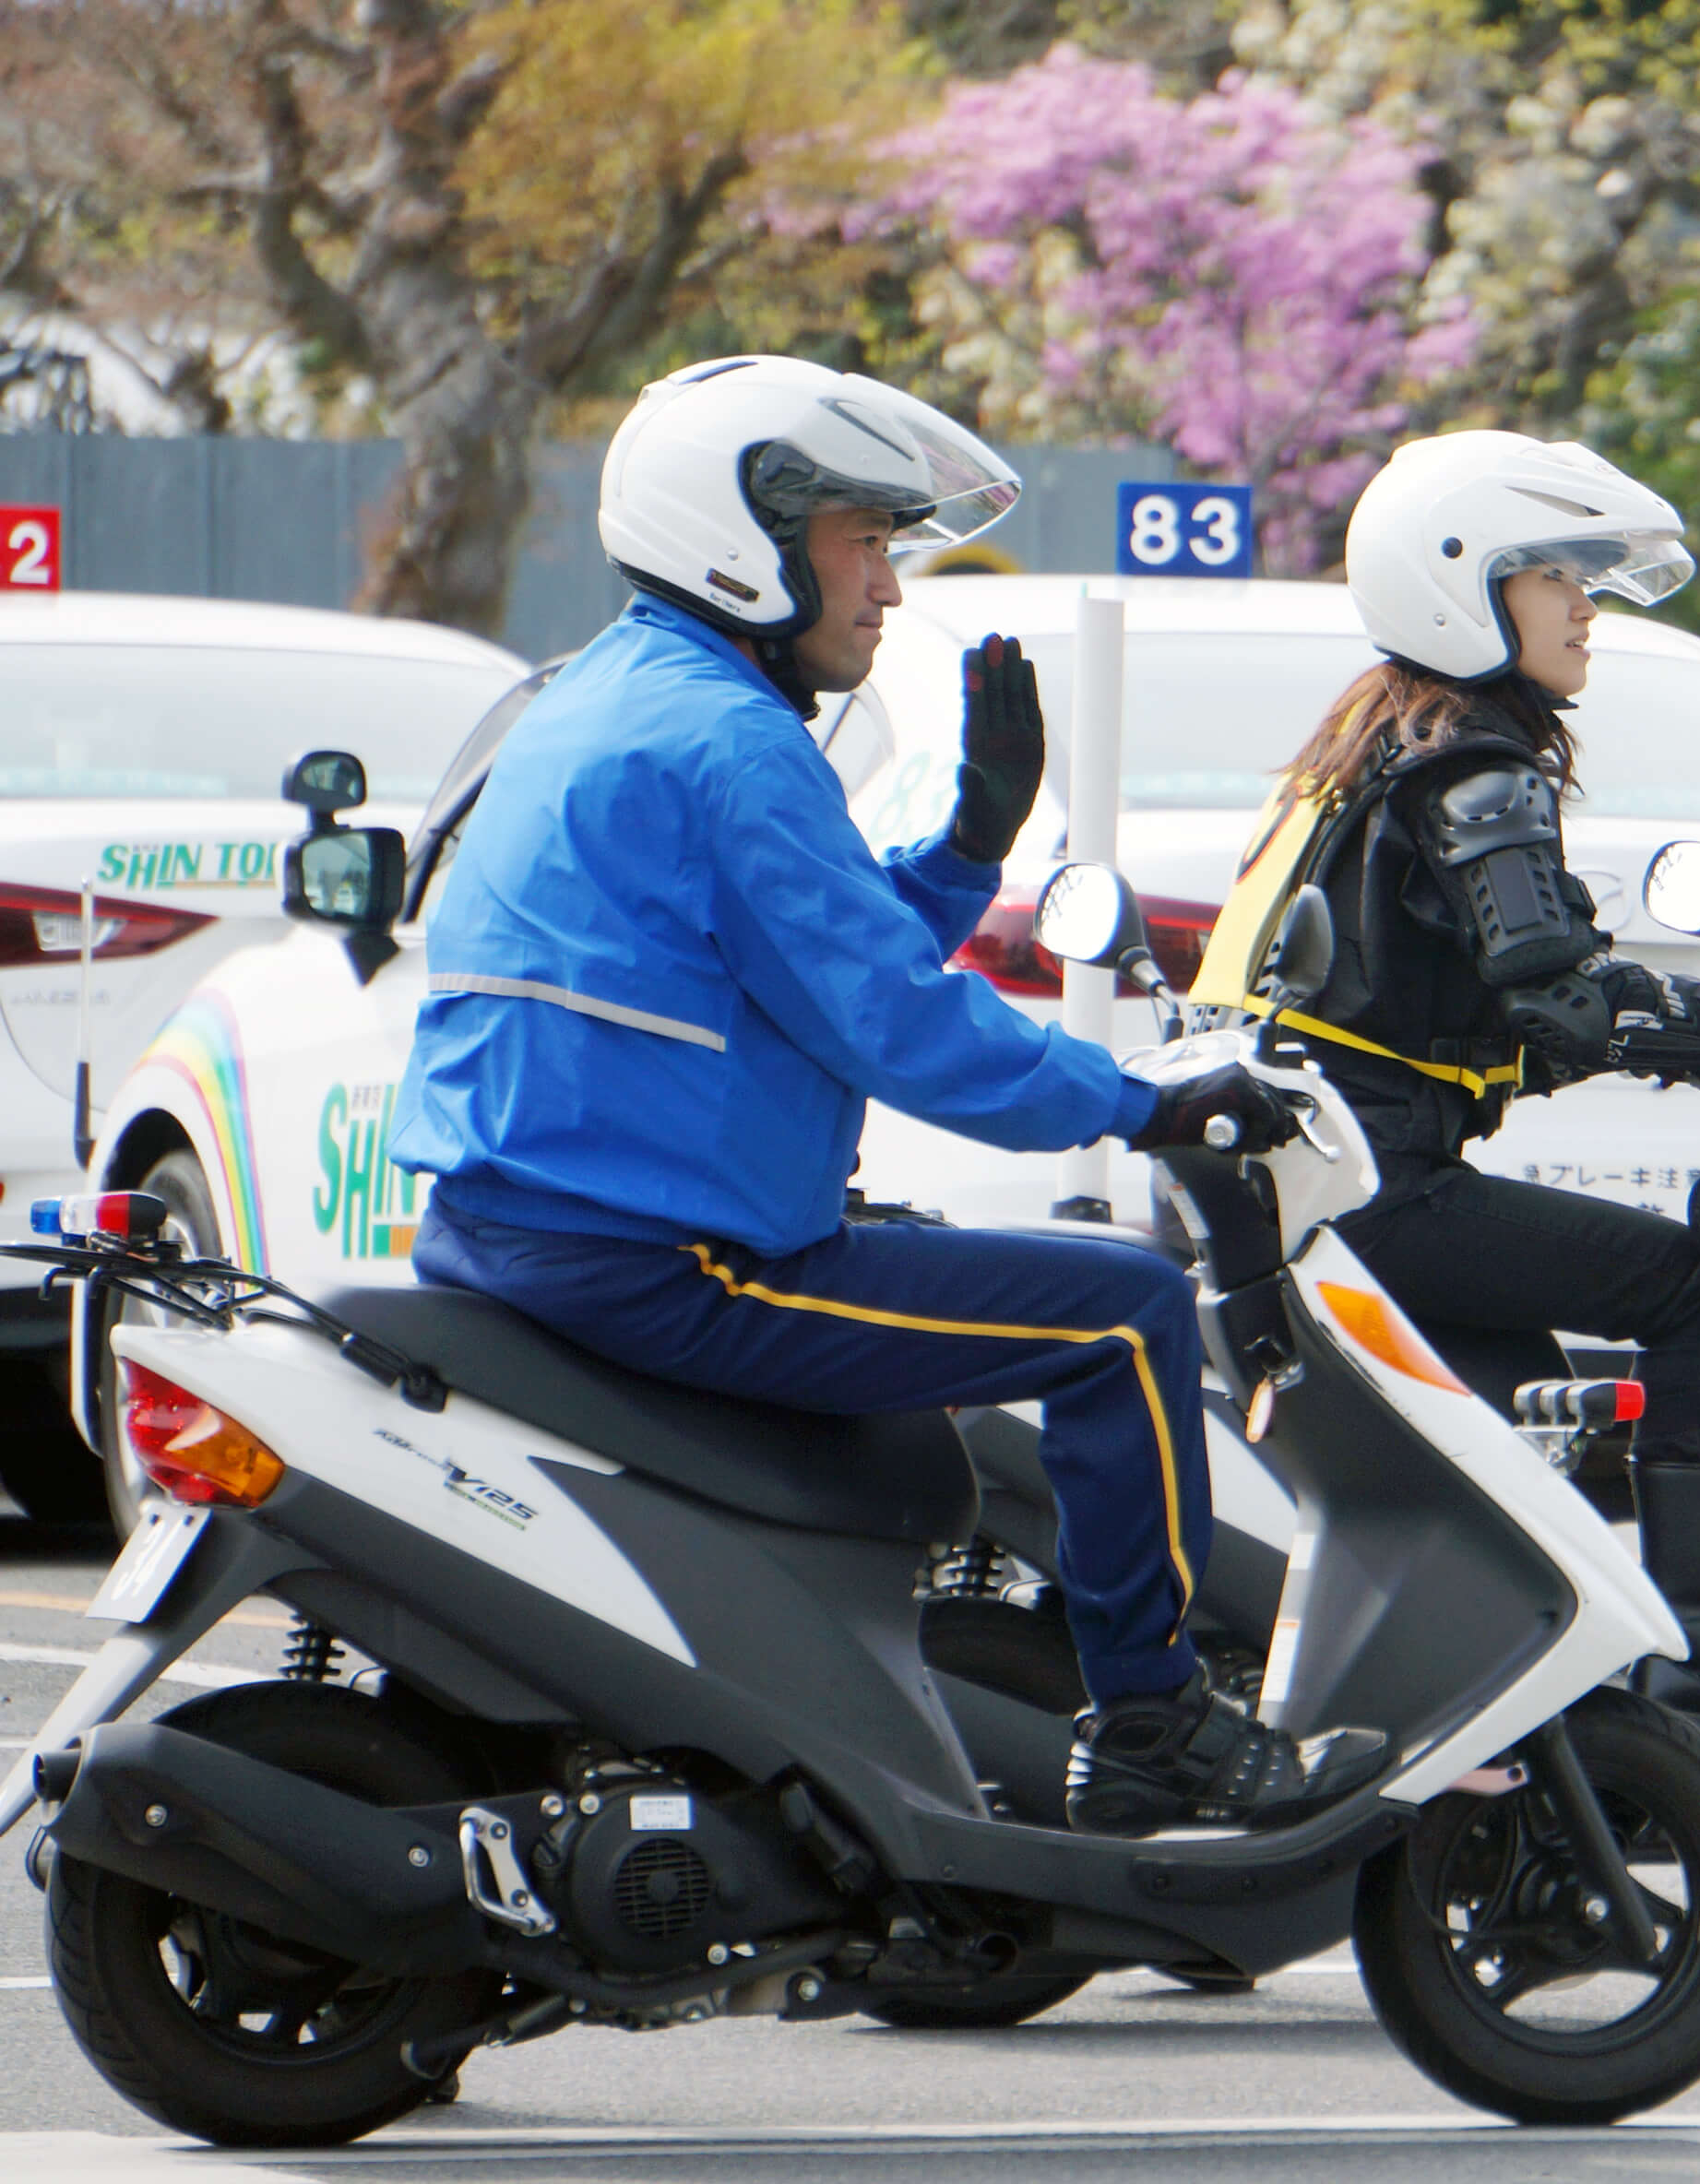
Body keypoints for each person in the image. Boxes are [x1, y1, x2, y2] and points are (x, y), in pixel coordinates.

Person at [389, 354, 1385, 1834]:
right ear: (744, 538)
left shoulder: (619, 698)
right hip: (670, 1262)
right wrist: (1146, 1105)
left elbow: (810, 974)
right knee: (1125, 1316)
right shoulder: (726, 742)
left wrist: (971, 843)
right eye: (862, 542)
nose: (891, 588)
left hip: (547, 1229)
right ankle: (1156, 1727)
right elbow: (900, 1030)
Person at [1244, 429, 1700, 1739]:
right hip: (1379, 1186)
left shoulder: (1374, 745)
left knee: (1528, 1418)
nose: (1586, 608)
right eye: (1556, 576)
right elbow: (1555, 989)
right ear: (1462, 580)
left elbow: (1469, 996)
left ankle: (1542, 1699)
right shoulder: (1476, 764)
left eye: (1588, 579)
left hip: (1305, 1176)